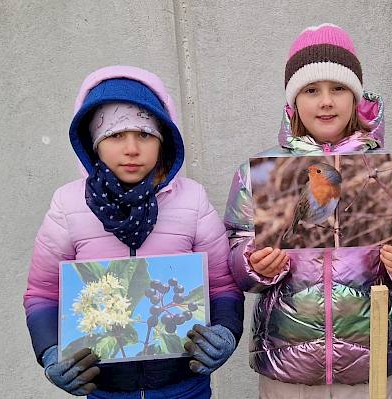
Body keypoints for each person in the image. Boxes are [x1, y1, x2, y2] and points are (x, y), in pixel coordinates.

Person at [223, 23, 392, 398]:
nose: (326, 101)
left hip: (370, 362)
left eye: (338, 89)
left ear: (355, 97)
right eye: (311, 90)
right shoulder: (262, 175)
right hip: (286, 363)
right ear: (293, 101)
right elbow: (235, 253)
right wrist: (255, 263)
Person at [23, 65, 244, 398]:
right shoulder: (67, 205)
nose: (131, 148)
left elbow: (224, 285)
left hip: (185, 387)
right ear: (93, 143)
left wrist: (226, 332)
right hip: (105, 389)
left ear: (163, 140)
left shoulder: (193, 200)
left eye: (144, 134)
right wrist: (51, 353)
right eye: (114, 135)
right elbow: (43, 293)